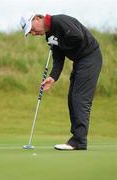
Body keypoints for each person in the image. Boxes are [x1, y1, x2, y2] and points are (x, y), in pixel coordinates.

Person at [20, 12, 102, 150]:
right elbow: (58, 58)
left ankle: (79, 141)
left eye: (32, 29)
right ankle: (77, 139)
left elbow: (78, 37)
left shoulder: (59, 21)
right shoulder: (49, 35)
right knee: (72, 98)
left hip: (90, 58)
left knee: (80, 99)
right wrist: (53, 77)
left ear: (37, 18)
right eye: (30, 33)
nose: (33, 33)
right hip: (80, 61)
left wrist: (58, 42)